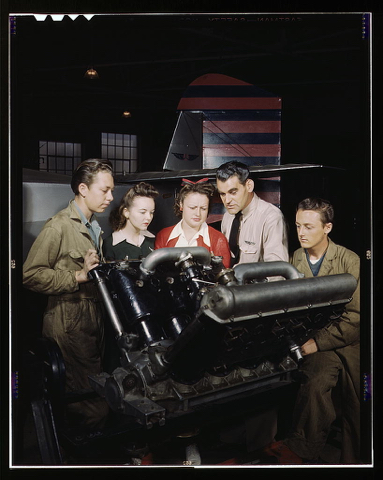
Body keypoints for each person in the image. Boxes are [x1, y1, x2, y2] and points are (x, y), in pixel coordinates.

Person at [263, 197, 360, 464]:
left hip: (350, 341)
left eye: (308, 226)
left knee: (361, 401)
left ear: (327, 228)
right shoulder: (295, 258)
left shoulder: (349, 260)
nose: (301, 233)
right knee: (316, 382)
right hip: (313, 341)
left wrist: (317, 343)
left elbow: (357, 317)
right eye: (298, 226)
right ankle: (301, 450)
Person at [23, 158, 114, 429]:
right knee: (92, 407)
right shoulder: (59, 226)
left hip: (91, 320)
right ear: (83, 189)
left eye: (112, 190)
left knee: (95, 392)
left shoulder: (93, 227)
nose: (111, 197)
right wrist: (78, 276)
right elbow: (29, 274)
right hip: (68, 321)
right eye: (105, 190)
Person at [216, 160, 288, 267]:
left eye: (233, 192)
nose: (227, 200)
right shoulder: (228, 216)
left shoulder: (271, 217)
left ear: (249, 186)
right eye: (222, 194)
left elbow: (277, 271)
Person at [154, 178, 231, 268]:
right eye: (192, 207)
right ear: (181, 205)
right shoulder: (163, 236)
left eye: (203, 208)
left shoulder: (218, 239)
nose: (198, 214)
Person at [103, 182, 159, 261]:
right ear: (126, 212)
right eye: (142, 212)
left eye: (151, 212)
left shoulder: (154, 240)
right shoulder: (110, 245)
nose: (149, 217)